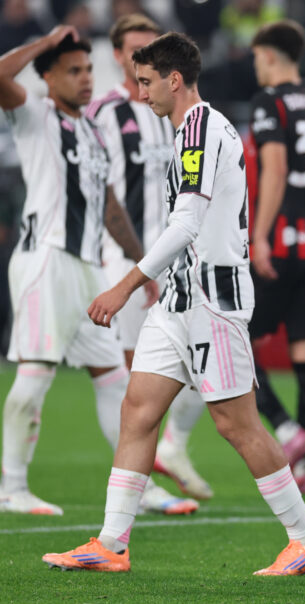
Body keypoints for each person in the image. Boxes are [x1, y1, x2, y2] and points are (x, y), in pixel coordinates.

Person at [42, 31, 305, 574]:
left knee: (236, 424)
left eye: (148, 81)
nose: (141, 91)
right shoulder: (187, 129)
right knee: (139, 408)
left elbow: (187, 222)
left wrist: (125, 284)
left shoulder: (200, 128)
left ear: (175, 80)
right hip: (179, 296)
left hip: (211, 296)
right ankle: (111, 542)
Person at [0, 26, 190, 516]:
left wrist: (141, 267)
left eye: (88, 70)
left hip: (87, 268)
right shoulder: (34, 114)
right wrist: (45, 42)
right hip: (46, 259)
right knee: (36, 374)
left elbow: (109, 207)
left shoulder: (89, 128)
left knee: (113, 379)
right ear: (47, 77)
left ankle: (138, 487)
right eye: (73, 71)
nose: (86, 79)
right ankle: (12, 486)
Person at [87, 14, 211, 502]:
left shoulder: (181, 116)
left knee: (179, 375)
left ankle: (165, 455)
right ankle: (143, 485)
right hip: (123, 259)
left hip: (173, 259)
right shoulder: (103, 112)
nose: (144, 60)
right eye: (136, 50)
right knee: (128, 375)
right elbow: (100, 193)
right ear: (119, 54)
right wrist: (134, 267)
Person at [247, 20, 305, 493]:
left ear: (268, 55)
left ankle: (287, 430)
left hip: (281, 244)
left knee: (235, 341)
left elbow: (275, 169)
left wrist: (259, 236)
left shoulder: (270, 103)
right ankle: (303, 467)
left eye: (257, 57)